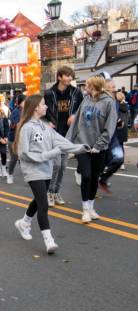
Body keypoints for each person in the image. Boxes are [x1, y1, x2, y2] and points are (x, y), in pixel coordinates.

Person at [13, 95, 89, 253]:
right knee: (43, 204)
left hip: (46, 170)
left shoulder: (44, 126)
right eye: (43, 104)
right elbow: (24, 153)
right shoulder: (27, 127)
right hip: (33, 170)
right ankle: (49, 240)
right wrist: (49, 154)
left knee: (38, 199)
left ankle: (24, 222)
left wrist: (83, 148)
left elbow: (62, 142)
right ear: (35, 108)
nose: (46, 107)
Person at [66, 75, 117, 223]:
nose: (85, 87)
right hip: (82, 145)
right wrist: (69, 142)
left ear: (93, 86)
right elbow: (77, 122)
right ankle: (85, 209)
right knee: (86, 176)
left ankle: (91, 207)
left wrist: (98, 146)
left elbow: (110, 127)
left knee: (95, 177)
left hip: (98, 148)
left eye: (87, 85)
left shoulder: (108, 102)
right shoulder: (86, 99)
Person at [44, 66, 83, 207]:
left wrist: (73, 115)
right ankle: (49, 192)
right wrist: (47, 122)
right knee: (56, 164)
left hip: (68, 134)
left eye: (71, 76)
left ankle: (56, 192)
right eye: (67, 76)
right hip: (53, 134)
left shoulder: (76, 92)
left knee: (64, 166)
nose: (70, 78)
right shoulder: (49, 93)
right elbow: (42, 112)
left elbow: (81, 109)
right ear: (60, 77)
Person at [98, 81, 125, 193]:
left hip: (113, 138)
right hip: (102, 138)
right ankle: (91, 187)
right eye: (112, 87)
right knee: (99, 165)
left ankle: (102, 179)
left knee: (119, 159)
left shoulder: (115, 101)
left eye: (115, 86)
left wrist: (119, 123)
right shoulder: (101, 102)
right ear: (106, 89)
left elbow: (115, 118)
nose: (115, 89)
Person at [7, 94, 25, 184]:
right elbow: (14, 126)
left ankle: (28, 177)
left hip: (23, 139)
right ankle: (10, 175)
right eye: (25, 101)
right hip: (13, 139)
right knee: (14, 158)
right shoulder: (16, 112)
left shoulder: (26, 111)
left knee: (25, 158)